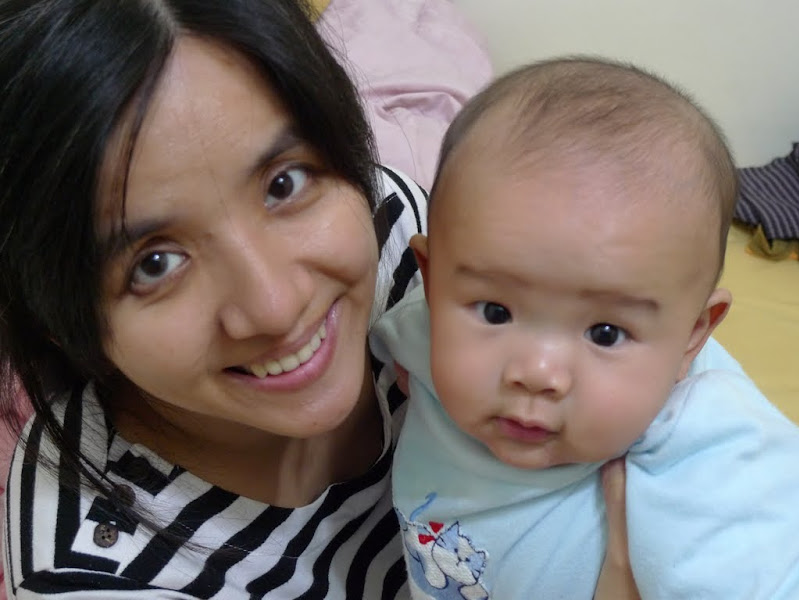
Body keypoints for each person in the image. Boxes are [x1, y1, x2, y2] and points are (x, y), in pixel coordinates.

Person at [0, 2, 636, 598]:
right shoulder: (92, 572)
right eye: (155, 264)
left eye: (284, 183)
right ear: (58, 317)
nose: (276, 307)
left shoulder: (398, 241)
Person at [371, 57, 799, 599]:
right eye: (496, 312)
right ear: (433, 284)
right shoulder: (420, 335)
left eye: (605, 334)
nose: (537, 373)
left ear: (693, 336)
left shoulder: (712, 453)